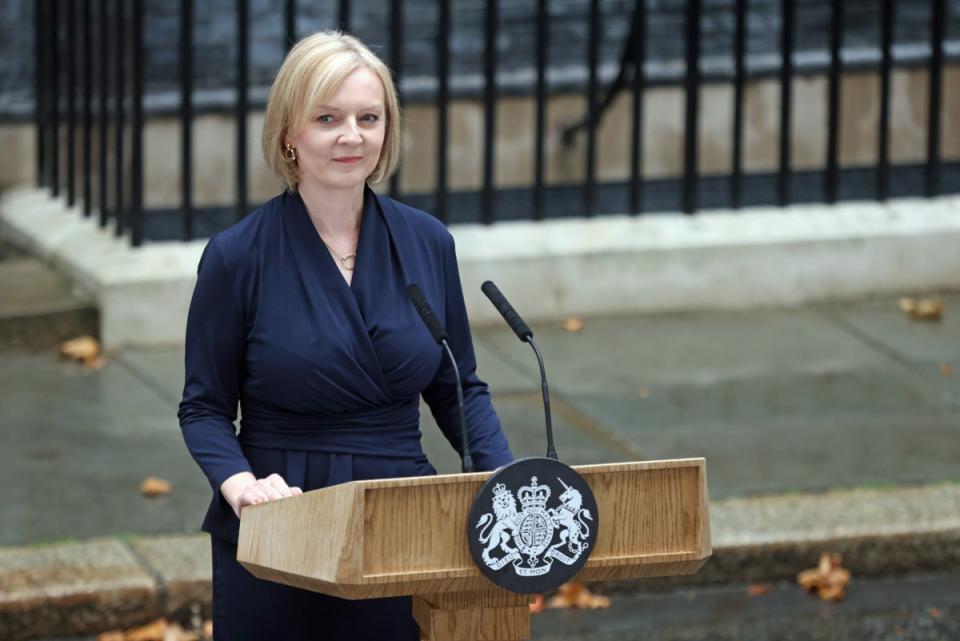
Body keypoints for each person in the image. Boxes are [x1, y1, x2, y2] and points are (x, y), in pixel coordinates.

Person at [177, 31, 513, 641]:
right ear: (289, 133)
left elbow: (457, 386)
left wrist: (512, 485)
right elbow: (203, 407)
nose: (351, 136)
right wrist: (242, 487)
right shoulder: (236, 257)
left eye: (369, 118)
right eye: (327, 118)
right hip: (280, 520)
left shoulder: (427, 242)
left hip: (399, 517)